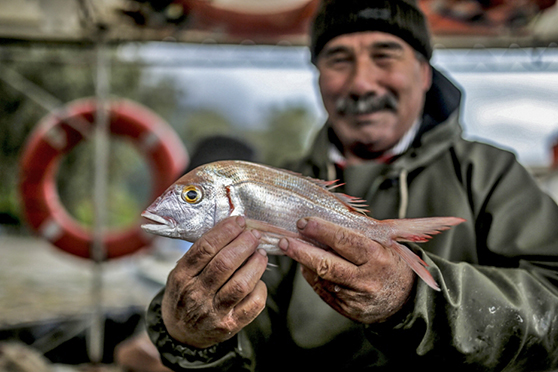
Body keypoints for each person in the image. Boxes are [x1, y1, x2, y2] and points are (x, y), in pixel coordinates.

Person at [146, 0, 558, 370]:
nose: (362, 84)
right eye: (339, 59)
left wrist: (415, 297)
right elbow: (252, 345)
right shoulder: (279, 181)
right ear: (319, 78)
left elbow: (552, 312)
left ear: (424, 73)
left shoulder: (490, 172)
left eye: (385, 55)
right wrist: (190, 340)